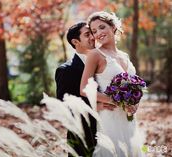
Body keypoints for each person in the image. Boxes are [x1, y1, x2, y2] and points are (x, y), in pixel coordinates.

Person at [80, 11, 144, 157]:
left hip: (128, 117)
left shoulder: (124, 56)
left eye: (102, 27)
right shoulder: (95, 55)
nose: (98, 33)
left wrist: (134, 103)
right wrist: (116, 100)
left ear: (113, 27)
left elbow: (134, 86)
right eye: (94, 31)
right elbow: (84, 89)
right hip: (109, 117)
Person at [55, 22, 115, 157]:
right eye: (87, 34)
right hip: (84, 135)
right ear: (75, 41)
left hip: (110, 127)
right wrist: (94, 106)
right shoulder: (66, 70)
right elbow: (64, 106)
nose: (93, 37)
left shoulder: (106, 62)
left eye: (92, 33)